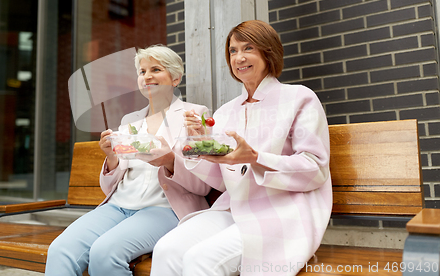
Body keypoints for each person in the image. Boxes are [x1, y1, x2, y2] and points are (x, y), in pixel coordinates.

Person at [151, 20, 332, 276]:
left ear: (268, 52)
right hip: (233, 208)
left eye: (248, 48)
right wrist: (199, 143)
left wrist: (257, 159)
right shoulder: (226, 112)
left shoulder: (300, 98)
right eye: (233, 50)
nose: (239, 57)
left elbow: (315, 169)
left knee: (201, 260)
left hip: (281, 211)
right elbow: (222, 181)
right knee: (166, 249)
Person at [45, 45, 211, 276]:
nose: (147, 76)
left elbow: (203, 184)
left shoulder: (194, 115)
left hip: (164, 208)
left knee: (105, 252)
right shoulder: (130, 121)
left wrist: (171, 161)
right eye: (142, 72)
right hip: (118, 206)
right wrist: (112, 157)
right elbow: (109, 189)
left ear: (175, 78)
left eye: (155, 69)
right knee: (60, 249)